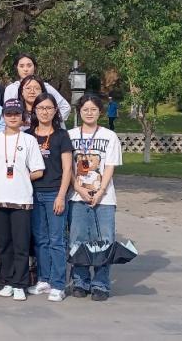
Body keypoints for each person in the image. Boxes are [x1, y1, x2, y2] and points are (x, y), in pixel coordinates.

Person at [68, 94, 123, 302]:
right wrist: (78, 188)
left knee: (104, 240)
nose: (89, 113)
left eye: (93, 109)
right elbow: (67, 167)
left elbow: (109, 166)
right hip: (77, 196)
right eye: (85, 109)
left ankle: (101, 283)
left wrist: (100, 192)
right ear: (79, 111)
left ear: (100, 112)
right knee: (78, 240)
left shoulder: (110, 136)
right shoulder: (70, 135)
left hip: (104, 198)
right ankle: (80, 281)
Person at [0, 99, 45, 302]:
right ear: (3, 116)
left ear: (23, 116)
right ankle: (8, 281)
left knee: (21, 244)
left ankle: (20, 283)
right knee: (4, 244)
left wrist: (21, 177)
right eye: (9, 113)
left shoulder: (28, 140)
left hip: (21, 199)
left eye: (16, 114)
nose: (13, 117)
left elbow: (38, 170)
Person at [25, 93, 74, 302]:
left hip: (54, 192)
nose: (44, 112)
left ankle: (58, 283)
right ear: (34, 111)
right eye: (41, 108)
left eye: (49, 108)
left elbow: (67, 168)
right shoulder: (28, 135)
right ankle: (43, 279)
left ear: (55, 111)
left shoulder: (61, 136)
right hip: (33, 193)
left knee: (57, 240)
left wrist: (62, 195)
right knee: (40, 239)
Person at [3, 54, 71, 122]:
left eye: (29, 66)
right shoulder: (12, 89)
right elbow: (9, 112)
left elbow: (65, 107)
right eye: (21, 66)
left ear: (34, 67)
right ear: (16, 68)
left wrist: (50, 122)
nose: (25, 69)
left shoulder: (45, 86)